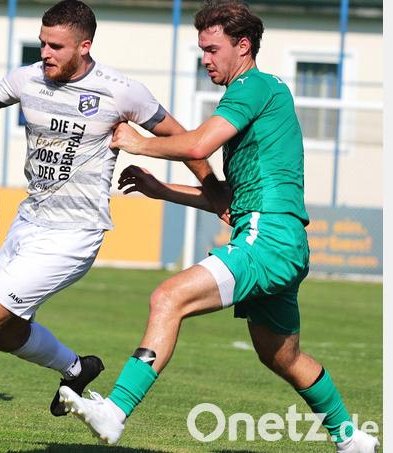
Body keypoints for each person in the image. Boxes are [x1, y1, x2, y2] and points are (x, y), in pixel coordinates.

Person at [0, 1, 221, 448]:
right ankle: (76, 368)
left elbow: (185, 140)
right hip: (29, 224)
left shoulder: (121, 91)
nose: (46, 52)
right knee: (6, 332)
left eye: (56, 46)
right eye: (42, 43)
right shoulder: (29, 77)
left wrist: (214, 192)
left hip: (74, 234)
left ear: (84, 46)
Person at [58, 1, 379, 452]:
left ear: (243, 46)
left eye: (212, 49)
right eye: (201, 50)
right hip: (278, 238)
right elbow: (226, 202)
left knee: (168, 298)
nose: (205, 59)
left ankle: (115, 412)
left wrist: (140, 142)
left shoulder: (252, 86)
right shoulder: (260, 98)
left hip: (267, 238)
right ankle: (353, 440)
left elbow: (201, 142)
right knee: (282, 356)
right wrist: (160, 190)